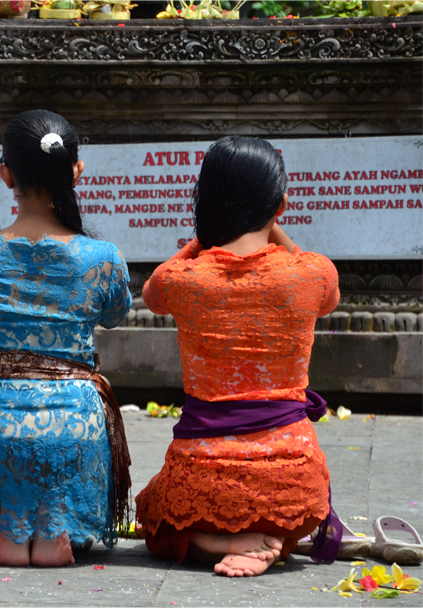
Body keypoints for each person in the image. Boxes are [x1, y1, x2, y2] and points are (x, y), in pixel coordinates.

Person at [135, 135, 342, 577]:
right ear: (281, 204)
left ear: (206, 202)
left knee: (156, 519)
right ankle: (272, 538)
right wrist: (275, 223)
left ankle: (220, 538)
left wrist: (204, 238)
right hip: (295, 490)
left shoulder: (182, 278)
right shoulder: (311, 274)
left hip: (202, 482)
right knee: (292, 517)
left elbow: (151, 292)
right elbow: (322, 287)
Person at [0, 110, 134, 567]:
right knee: (57, 521)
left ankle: (11, 534)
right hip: (76, 428)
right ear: (76, 170)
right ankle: (55, 533)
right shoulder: (102, 257)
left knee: (9, 525)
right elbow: (114, 314)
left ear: (4, 172)